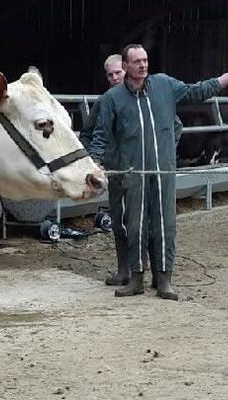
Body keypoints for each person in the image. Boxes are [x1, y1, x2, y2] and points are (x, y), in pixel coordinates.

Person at [88, 43, 228, 300]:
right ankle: (137, 278)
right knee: (135, 224)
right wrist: (94, 162)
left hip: (163, 172)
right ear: (126, 66)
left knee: (165, 224)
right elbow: (100, 134)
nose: (142, 65)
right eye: (137, 61)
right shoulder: (112, 99)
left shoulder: (165, 85)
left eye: (145, 60)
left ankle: (164, 280)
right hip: (134, 173)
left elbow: (196, 92)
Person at [80, 54, 131, 287]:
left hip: (144, 169)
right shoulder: (104, 102)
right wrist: (95, 161)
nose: (114, 78)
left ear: (127, 70)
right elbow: (87, 133)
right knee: (119, 219)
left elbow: (174, 126)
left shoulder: (144, 98)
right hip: (116, 171)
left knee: (147, 220)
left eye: (118, 73)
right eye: (109, 75)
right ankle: (124, 270)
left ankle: (150, 270)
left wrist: (164, 154)